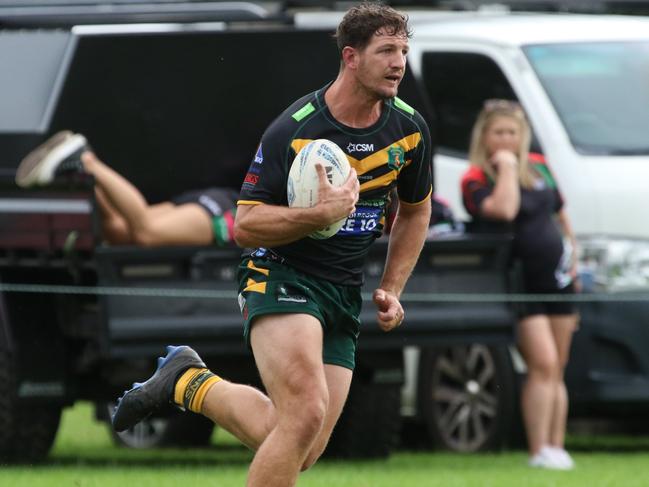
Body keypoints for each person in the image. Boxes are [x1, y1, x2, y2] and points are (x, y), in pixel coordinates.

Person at [110, 4, 432, 487]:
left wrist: (392, 286)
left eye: (403, 51)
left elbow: (416, 210)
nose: (399, 63)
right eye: (386, 50)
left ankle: (186, 382)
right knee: (304, 413)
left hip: (342, 290)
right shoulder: (295, 129)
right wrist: (317, 216)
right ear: (351, 57)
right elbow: (246, 225)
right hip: (281, 273)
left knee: (299, 445)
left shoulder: (409, 130)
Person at [461, 99, 580, 470]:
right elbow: (505, 210)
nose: (507, 140)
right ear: (485, 136)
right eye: (499, 133)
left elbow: (560, 213)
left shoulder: (541, 168)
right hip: (518, 281)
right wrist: (508, 169)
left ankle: (556, 447)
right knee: (542, 363)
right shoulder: (476, 179)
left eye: (513, 133)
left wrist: (573, 256)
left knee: (558, 365)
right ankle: (537, 448)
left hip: (556, 278)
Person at [15, 131, 238, 247]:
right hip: (224, 209)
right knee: (147, 232)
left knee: (118, 234)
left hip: (213, 202)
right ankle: (85, 159)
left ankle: (83, 172)